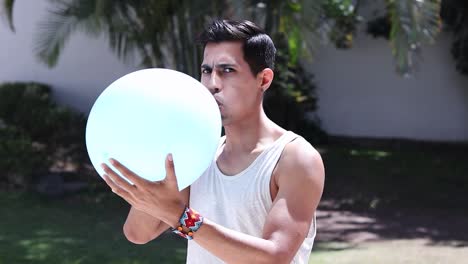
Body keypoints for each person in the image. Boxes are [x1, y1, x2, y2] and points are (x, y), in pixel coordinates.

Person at [101, 19, 325, 264]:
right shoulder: (197, 152)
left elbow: (274, 257)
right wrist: (146, 191)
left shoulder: (295, 158)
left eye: (227, 70)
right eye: (206, 71)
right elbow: (137, 233)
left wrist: (180, 217)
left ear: (263, 79)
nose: (212, 84)